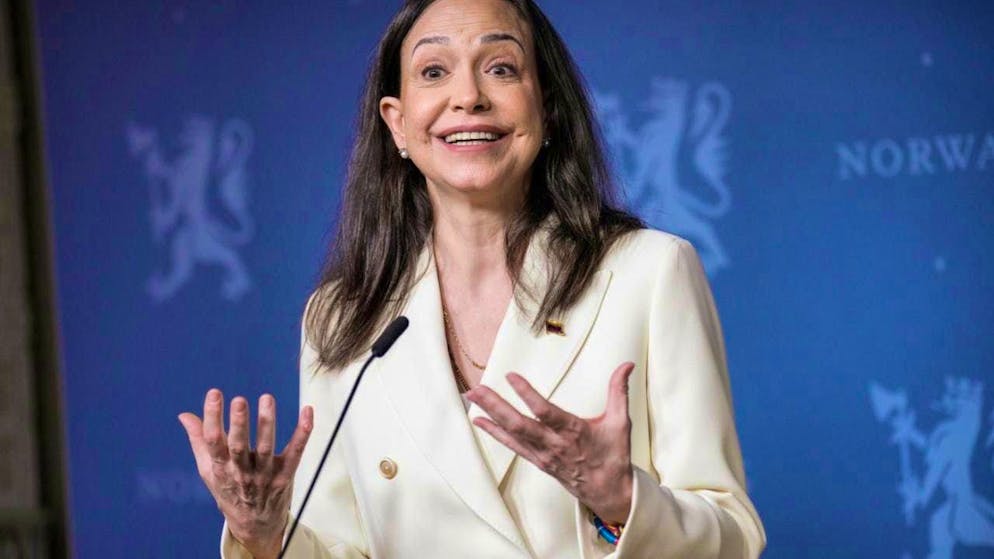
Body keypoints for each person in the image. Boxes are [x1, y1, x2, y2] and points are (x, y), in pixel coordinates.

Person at [178, 0, 766, 557]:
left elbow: (734, 537)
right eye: (434, 71)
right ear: (398, 124)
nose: (467, 97)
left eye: (501, 68)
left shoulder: (649, 272)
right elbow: (342, 547)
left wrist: (622, 501)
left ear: (548, 110)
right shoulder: (342, 316)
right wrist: (263, 535)